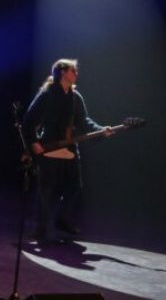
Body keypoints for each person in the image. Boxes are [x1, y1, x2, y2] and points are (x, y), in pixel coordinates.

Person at [23, 58, 111, 241]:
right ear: (62, 72)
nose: (76, 74)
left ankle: (62, 219)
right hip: (49, 148)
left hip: (69, 149)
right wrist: (33, 143)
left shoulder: (75, 97)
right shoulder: (47, 94)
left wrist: (100, 131)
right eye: (73, 70)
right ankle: (41, 228)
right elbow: (29, 120)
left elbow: (84, 121)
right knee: (45, 190)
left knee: (74, 187)